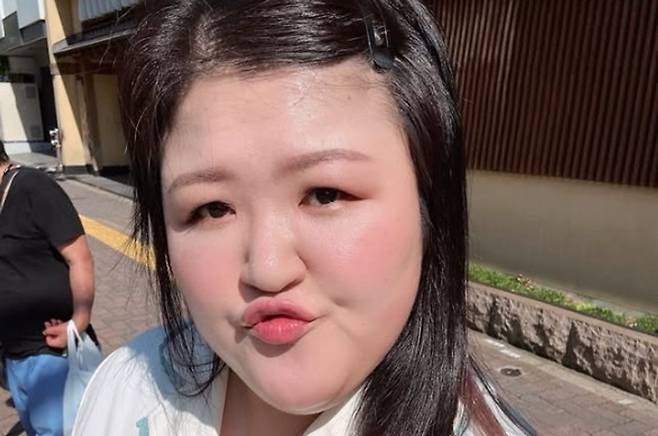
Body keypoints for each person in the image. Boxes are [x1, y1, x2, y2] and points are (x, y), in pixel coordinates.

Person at [74, 1, 535, 435]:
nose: (268, 271)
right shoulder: (126, 391)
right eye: (212, 209)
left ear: (428, 201)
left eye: (324, 195)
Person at [0, 140, 96, 436]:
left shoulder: (33, 187)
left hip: (51, 351)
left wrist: (79, 322)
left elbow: (80, 258)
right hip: (12, 353)